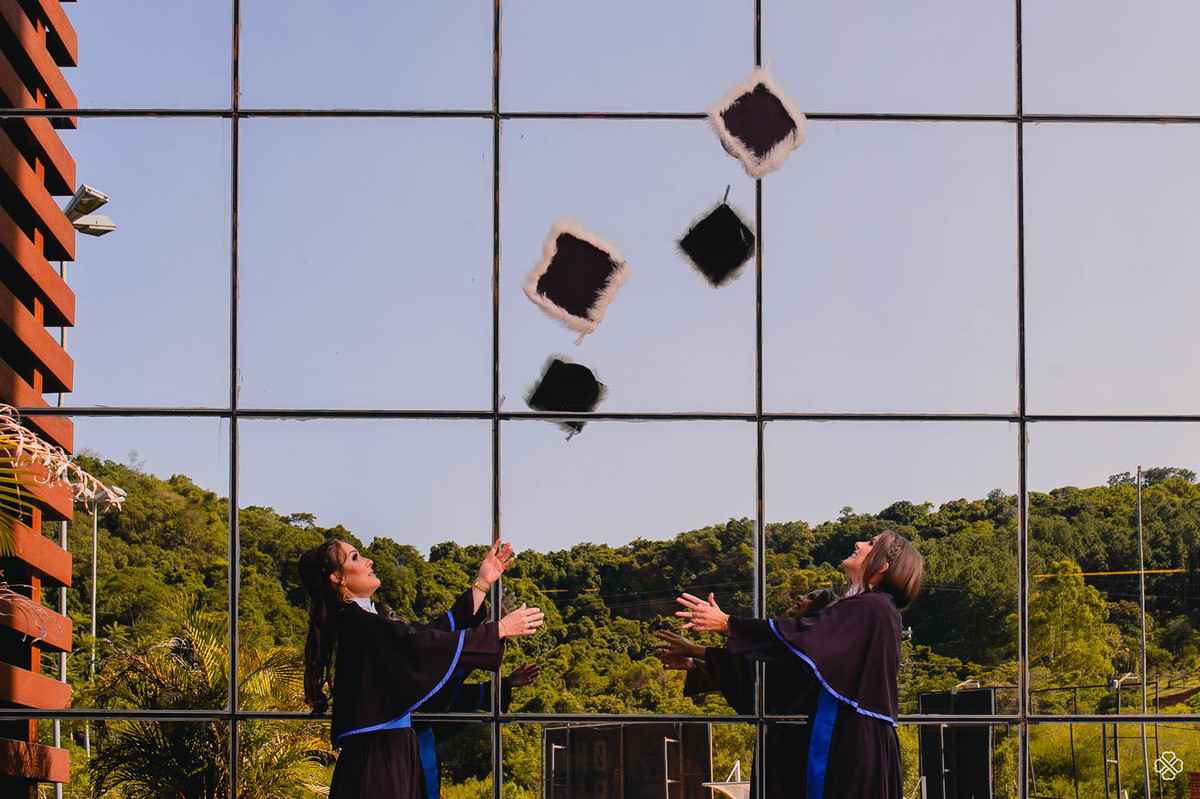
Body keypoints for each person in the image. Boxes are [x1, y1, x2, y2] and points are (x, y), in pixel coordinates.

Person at [675, 530, 923, 799]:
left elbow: (802, 637)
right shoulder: (879, 610)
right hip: (860, 735)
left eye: (871, 543)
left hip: (853, 740)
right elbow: (791, 658)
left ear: (884, 565)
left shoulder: (870, 608)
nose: (859, 544)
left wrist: (727, 624)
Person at [300, 538, 544, 798]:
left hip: (387, 748)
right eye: (356, 557)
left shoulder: (362, 620)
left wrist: (481, 584)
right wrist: (500, 629)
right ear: (338, 578)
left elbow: (425, 634)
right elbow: (421, 643)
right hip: (379, 755)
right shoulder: (358, 623)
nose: (369, 561)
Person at [656, 589, 836, 799]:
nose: (800, 598)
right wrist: (694, 664)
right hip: (777, 748)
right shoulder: (794, 652)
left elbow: (761, 672)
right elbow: (751, 676)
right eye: (807, 594)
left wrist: (698, 648)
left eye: (811, 598)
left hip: (799, 751)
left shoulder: (805, 655)